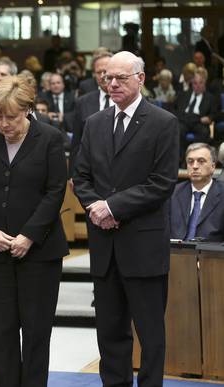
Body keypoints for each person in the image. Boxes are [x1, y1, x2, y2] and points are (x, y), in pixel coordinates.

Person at [73, 51, 179, 387]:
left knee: (150, 333)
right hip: (105, 246)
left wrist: (113, 207)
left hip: (143, 245)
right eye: (108, 78)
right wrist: (97, 208)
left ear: (141, 79)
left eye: (121, 78)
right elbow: (81, 177)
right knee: (110, 332)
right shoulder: (95, 123)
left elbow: (162, 183)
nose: (113, 84)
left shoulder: (163, 123)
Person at [0, 75, 68, 387]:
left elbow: (55, 191)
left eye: (10, 117)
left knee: (37, 332)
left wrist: (29, 236)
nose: (4, 124)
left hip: (40, 252)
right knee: (2, 330)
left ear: (28, 110)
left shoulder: (49, 138)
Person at [69, 50, 113, 177]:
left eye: (107, 71)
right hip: (90, 173)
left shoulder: (125, 100)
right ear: (94, 74)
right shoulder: (83, 102)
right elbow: (76, 142)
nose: (103, 75)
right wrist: (72, 175)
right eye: (99, 72)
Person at [171, 143, 224, 242]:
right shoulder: (174, 193)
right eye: (190, 162)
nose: (195, 166)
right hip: (177, 253)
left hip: (211, 255)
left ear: (213, 166)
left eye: (201, 161)